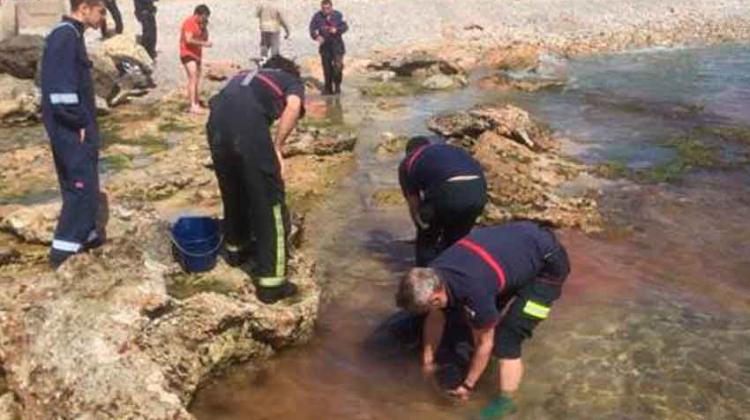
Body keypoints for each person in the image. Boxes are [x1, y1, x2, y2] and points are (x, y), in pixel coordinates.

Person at [396, 222, 571, 419]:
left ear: (435, 297)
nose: (429, 310)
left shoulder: (472, 291)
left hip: (548, 268)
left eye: (426, 306)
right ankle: (488, 366)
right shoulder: (433, 273)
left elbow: (485, 342)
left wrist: (467, 385)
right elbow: (436, 317)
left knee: (506, 339)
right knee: (469, 319)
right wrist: (428, 361)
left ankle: (507, 401)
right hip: (518, 247)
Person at [206, 55, 305, 304]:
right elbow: (293, 107)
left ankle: (236, 251)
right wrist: (277, 147)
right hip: (246, 128)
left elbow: (217, 101)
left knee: (234, 190)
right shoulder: (290, 80)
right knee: (270, 203)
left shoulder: (244, 76)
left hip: (216, 124)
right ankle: (272, 283)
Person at [40, 0, 106, 269]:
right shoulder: (65, 37)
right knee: (80, 186)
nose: (104, 17)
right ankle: (63, 251)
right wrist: (77, 122)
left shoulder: (72, 35)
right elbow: (60, 91)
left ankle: (86, 235)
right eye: (101, 11)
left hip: (75, 126)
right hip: (70, 128)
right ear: (85, 8)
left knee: (84, 183)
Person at [398, 136, 487, 267]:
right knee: (455, 242)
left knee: (427, 242)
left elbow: (413, 201)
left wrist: (422, 225)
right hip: (478, 190)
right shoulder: (447, 149)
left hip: (448, 189)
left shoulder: (407, 163)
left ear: (409, 152)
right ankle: (452, 278)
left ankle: (425, 278)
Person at [308, 0, 347, 95]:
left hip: (337, 45)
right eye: (324, 8)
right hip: (325, 46)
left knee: (338, 67)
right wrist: (316, 37)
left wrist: (337, 30)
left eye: (328, 8)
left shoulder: (338, 15)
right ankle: (328, 88)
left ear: (331, 8)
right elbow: (312, 29)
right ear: (321, 8)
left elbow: (345, 27)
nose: (326, 10)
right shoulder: (317, 16)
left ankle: (337, 86)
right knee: (327, 68)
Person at [180, 5, 212, 114]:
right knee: (192, 77)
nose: (205, 19)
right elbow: (188, 40)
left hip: (197, 54)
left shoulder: (201, 24)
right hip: (187, 53)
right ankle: (193, 105)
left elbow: (205, 38)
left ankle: (196, 102)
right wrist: (203, 44)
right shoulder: (189, 22)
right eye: (203, 17)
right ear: (197, 15)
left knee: (197, 79)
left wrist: (204, 28)